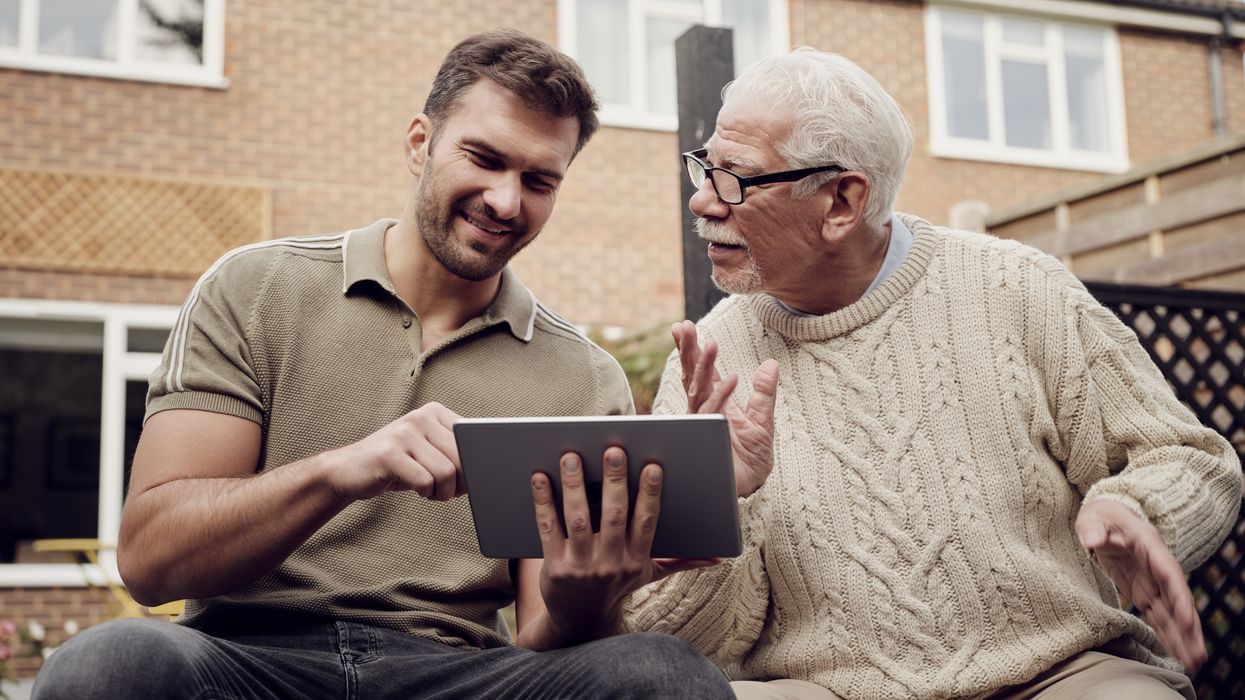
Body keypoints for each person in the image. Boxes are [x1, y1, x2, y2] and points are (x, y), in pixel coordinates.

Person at [33, 29, 732, 700]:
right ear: (419, 143)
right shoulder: (255, 288)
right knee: (106, 664)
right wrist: (339, 472)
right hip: (245, 662)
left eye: (538, 180)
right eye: (484, 159)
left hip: (453, 674)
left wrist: (581, 599)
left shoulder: (580, 374)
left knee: (666, 674)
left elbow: (543, 643)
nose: (505, 201)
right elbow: (152, 563)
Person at [623, 47, 1243, 700]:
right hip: (822, 689)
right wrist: (720, 504)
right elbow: (681, 642)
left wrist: (1134, 507)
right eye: (705, 169)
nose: (700, 201)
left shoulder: (1016, 288)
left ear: (841, 201)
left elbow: (1190, 456)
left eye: (734, 179)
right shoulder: (710, 358)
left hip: (1057, 672)